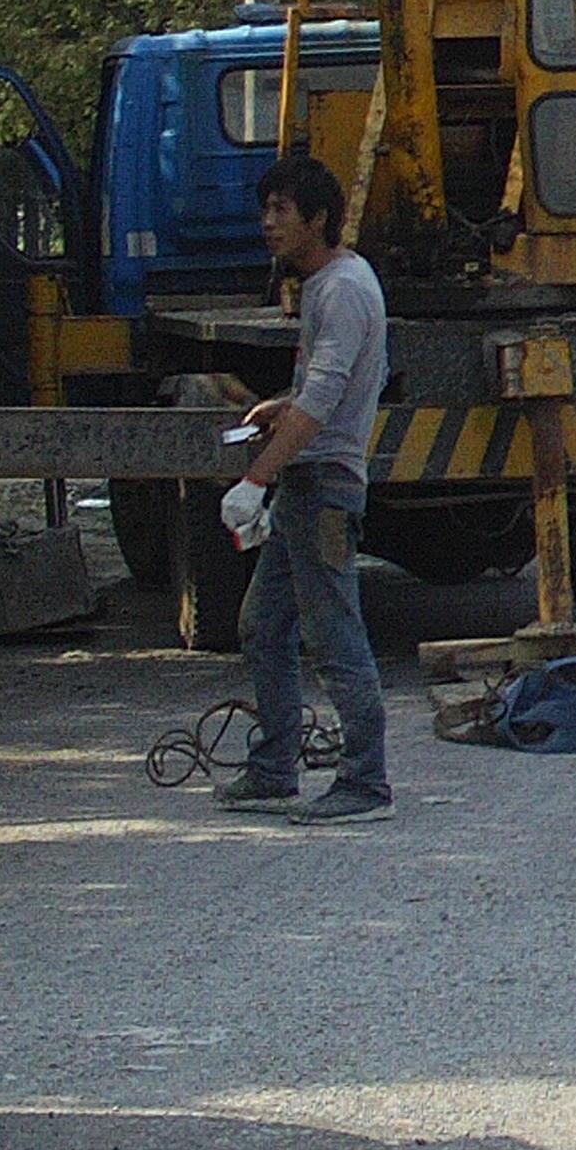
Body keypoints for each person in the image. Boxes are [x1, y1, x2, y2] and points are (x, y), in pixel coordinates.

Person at [215, 151, 393, 822]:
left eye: (281, 211)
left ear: (317, 218)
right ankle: (274, 769)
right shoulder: (329, 286)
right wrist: (279, 406)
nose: (268, 224)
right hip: (306, 482)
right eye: (266, 209)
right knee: (264, 625)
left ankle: (366, 784)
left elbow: (323, 400)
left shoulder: (343, 289)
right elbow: (328, 385)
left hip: (324, 487)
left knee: (335, 634)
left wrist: (254, 480)